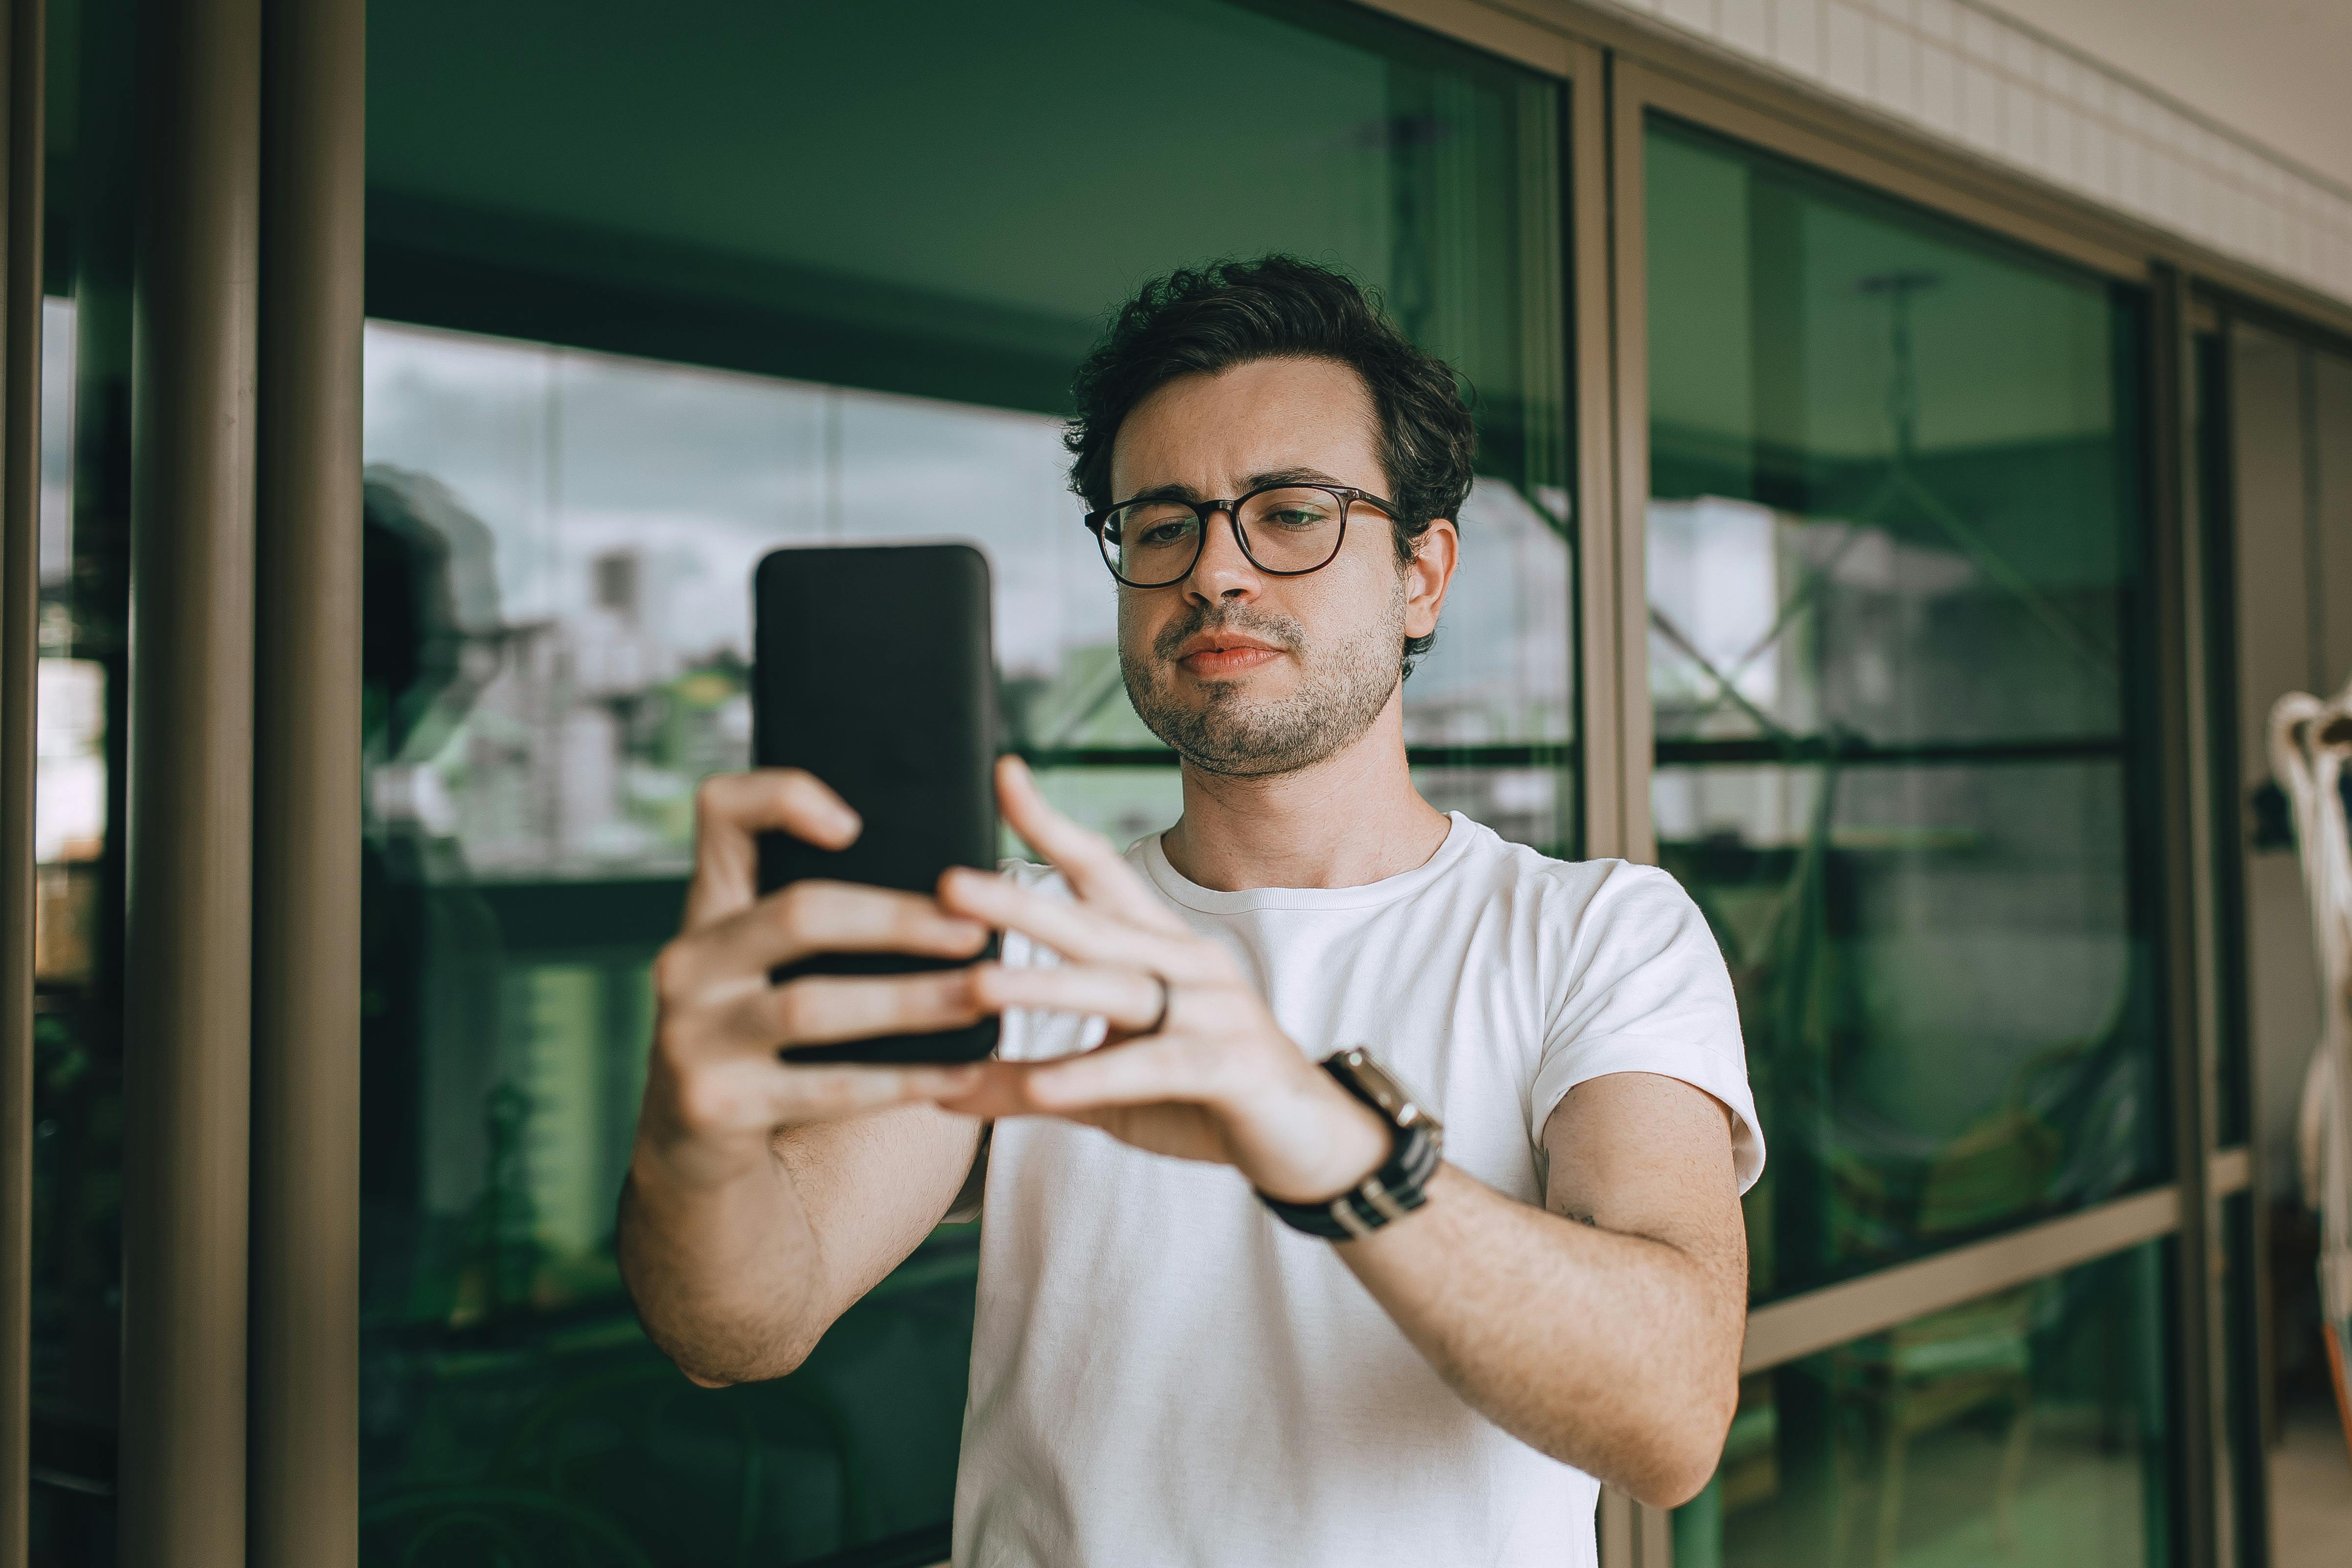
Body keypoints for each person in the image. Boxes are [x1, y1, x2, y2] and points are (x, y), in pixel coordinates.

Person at [618, 256, 1762, 1568]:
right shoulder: (1022, 943)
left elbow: (1671, 1419)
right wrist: (690, 1140)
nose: (1215, 570)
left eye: (1288, 514)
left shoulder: (1595, 931)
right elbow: (738, 1326)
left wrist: (1320, 1137)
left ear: (1422, 574)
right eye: (1161, 524)